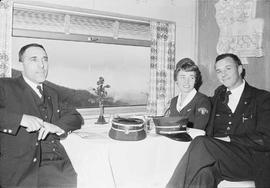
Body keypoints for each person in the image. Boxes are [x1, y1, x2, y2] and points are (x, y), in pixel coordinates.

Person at [166, 53, 270, 188]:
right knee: (204, 173)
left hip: (250, 160)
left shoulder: (262, 98)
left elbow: (267, 139)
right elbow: (197, 108)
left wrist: (230, 139)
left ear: (239, 69)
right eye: (219, 71)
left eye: (228, 68)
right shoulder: (217, 97)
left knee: (201, 143)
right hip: (222, 161)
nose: (223, 74)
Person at [0, 43, 83, 188]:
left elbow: (75, 116)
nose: (42, 65)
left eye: (45, 59)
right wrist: (20, 119)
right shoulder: (5, 87)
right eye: (34, 59)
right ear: (21, 64)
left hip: (59, 170)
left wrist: (56, 127)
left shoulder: (53, 93)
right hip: (21, 173)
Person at [168, 58, 211, 139]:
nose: (186, 82)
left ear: (195, 80)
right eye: (182, 77)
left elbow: (198, 131)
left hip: (192, 144)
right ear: (176, 80)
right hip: (174, 141)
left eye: (191, 77)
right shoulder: (173, 101)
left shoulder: (202, 100)